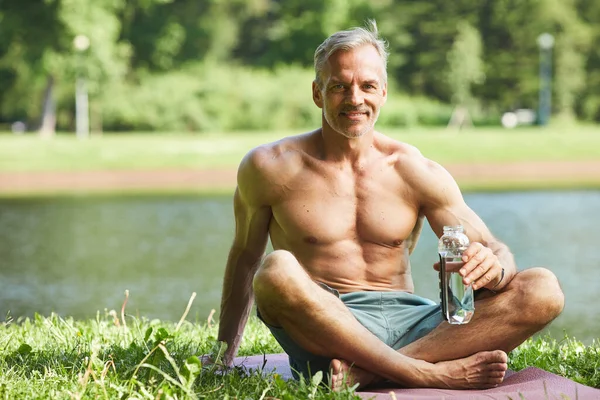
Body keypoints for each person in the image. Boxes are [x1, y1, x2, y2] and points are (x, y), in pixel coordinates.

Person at [213, 20, 564, 390]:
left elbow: (494, 248)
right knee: (275, 270)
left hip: (415, 326)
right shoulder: (269, 167)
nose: (354, 99)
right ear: (317, 93)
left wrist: (496, 268)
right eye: (338, 87)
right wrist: (223, 358)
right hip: (326, 331)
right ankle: (427, 373)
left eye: (367, 86)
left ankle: (372, 373)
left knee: (543, 288)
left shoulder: (414, 169)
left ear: (383, 92)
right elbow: (245, 261)